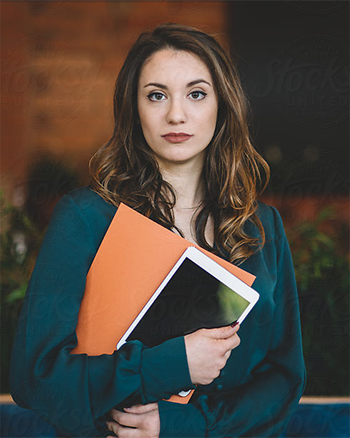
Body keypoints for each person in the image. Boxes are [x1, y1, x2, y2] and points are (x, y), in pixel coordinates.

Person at [10, 23, 306, 438]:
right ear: (134, 108)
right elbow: (34, 379)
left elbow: (283, 377)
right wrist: (173, 364)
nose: (176, 114)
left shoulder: (261, 227)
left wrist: (182, 425)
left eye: (196, 93)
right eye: (156, 95)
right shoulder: (85, 218)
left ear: (223, 105)